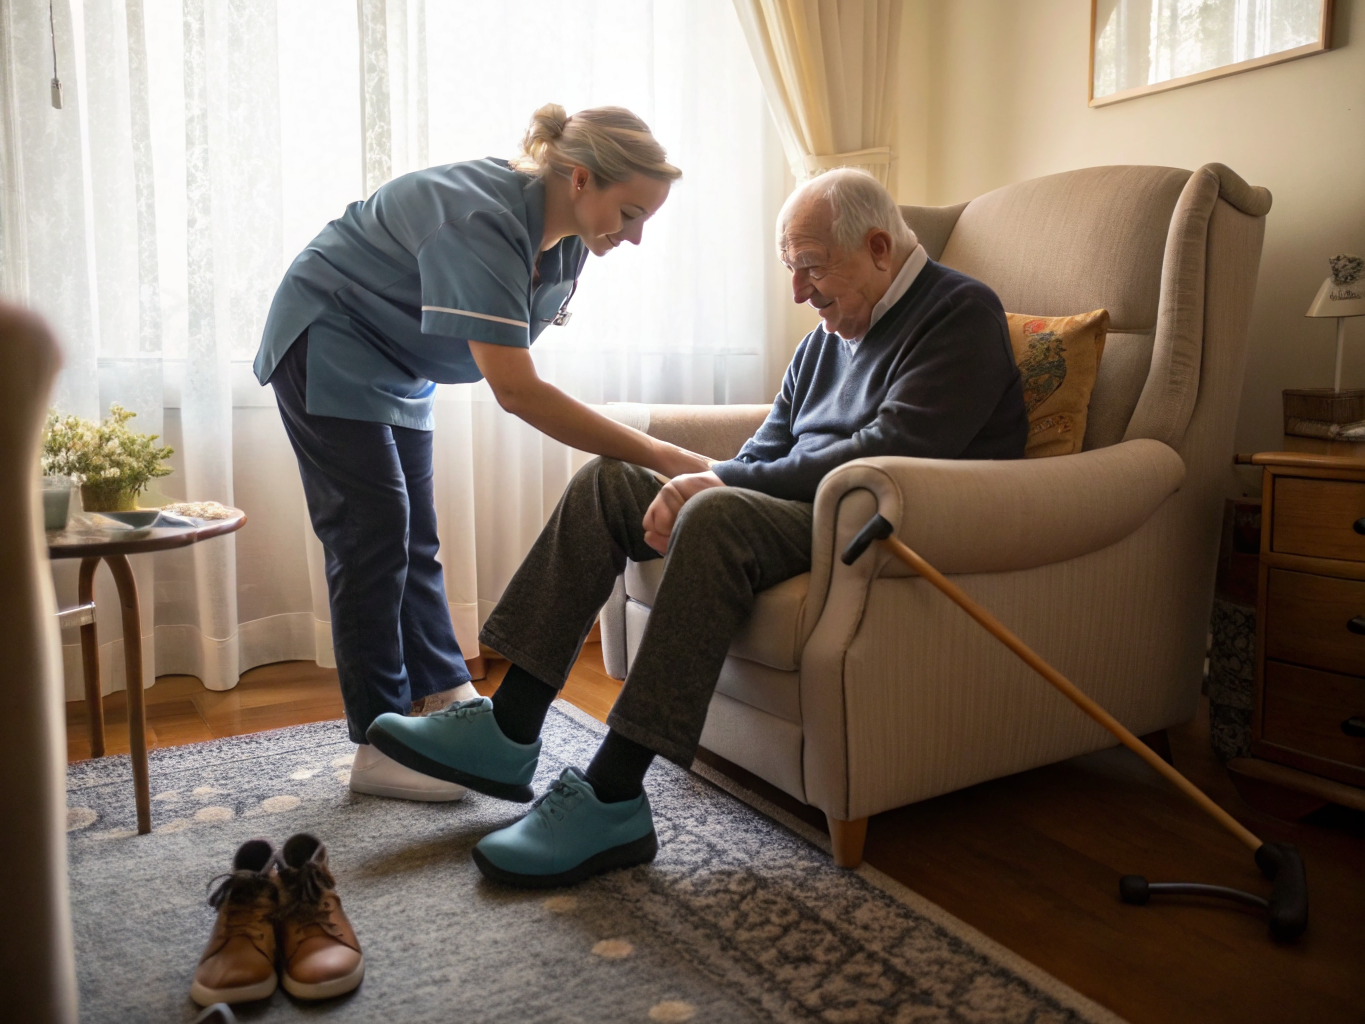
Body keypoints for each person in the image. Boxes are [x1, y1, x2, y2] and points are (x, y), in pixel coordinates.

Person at [367, 168, 1030, 886]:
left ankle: (613, 797)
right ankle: (510, 725)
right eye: (791, 270)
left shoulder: (959, 312)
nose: (799, 293)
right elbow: (769, 445)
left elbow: (892, 448)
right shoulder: (826, 337)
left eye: (810, 268)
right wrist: (703, 480)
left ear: (877, 247)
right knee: (609, 480)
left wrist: (717, 484)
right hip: (802, 511)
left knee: (714, 511)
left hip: (884, 525)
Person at [254, 105, 709, 803]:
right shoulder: (482, 219)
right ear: (580, 178)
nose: (636, 235)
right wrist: (663, 455)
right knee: (372, 535)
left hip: (399, 360)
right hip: (329, 336)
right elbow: (518, 391)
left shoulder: (565, 243)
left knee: (414, 536)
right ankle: (376, 745)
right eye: (630, 212)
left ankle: (445, 696)